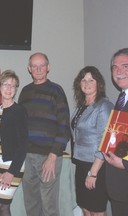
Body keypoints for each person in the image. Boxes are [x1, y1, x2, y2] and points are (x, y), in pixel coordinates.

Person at [18, 52, 71, 216]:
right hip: (27, 156)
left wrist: (53, 156)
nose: (38, 69)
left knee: (49, 207)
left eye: (42, 65)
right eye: (34, 66)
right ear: (29, 69)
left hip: (48, 157)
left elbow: (64, 126)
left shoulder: (56, 91)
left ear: (48, 68)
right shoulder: (25, 92)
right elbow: (20, 125)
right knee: (31, 205)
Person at [71, 66, 113, 216]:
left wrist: (93, 173)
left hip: (97, 166)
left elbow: (105, 141)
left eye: (91, 79)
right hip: (81, 164)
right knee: (85, 208)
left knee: (97, 210)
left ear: (98, 84)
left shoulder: (104, 106)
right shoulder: (81, 106)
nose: (86, 82)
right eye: (83, 79)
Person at [0, 70, 28, 216]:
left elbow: (23, 145)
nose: (9, 89)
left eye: (13, 85)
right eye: (6, 84)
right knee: (3, 207)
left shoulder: (19, 111)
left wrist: (12, 172)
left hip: (11, 167)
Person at [103, 48, 128, 216]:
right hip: (119, 186)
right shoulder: (121, 98)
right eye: (114, 67)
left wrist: (125, 164)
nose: (118, 71)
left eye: (125, 66)